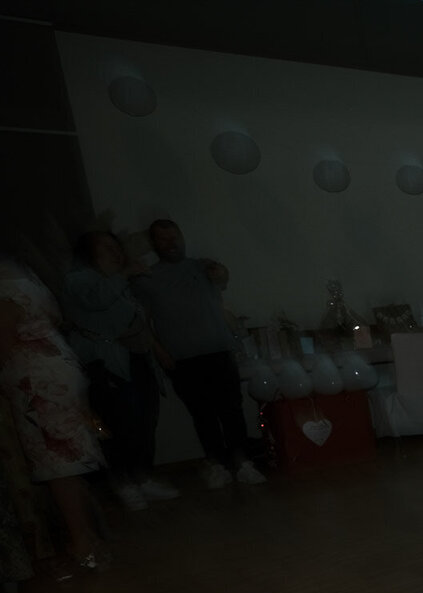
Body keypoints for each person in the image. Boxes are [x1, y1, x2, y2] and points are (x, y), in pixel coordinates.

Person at [1, 238, 108, 573]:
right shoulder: (27, 275)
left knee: (57, 465)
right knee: (68, 462)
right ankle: (89, 540)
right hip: (57, 367)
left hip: (37, 380)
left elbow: (2, 342)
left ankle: (83, 547)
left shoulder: (4, 285)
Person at [133, 220, 263, 489]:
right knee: (202, 414)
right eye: (164, 239)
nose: (172, 243)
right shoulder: (147, 278)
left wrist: (218, 270)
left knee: (231, 410)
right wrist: (159, 352)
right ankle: (217, 464)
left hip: (218, 351)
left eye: (175, 237)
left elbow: (222, 276)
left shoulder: (201, 267)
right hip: (181, 358)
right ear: (154, 244)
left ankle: (243, 463)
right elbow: (142, 321)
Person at [60, 231, 179, 510]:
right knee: (119, 425)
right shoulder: (78, 279)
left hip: (136, 358)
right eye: (106, 247)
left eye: (116, 247)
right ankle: (122, 483)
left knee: (145, 421)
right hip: (107, 363)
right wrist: (123, 275)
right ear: (88, 253)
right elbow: (96, 301)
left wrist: (159, 350)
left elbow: (137, 319)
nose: (115, 252)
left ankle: (142, 478)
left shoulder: (121, 282)